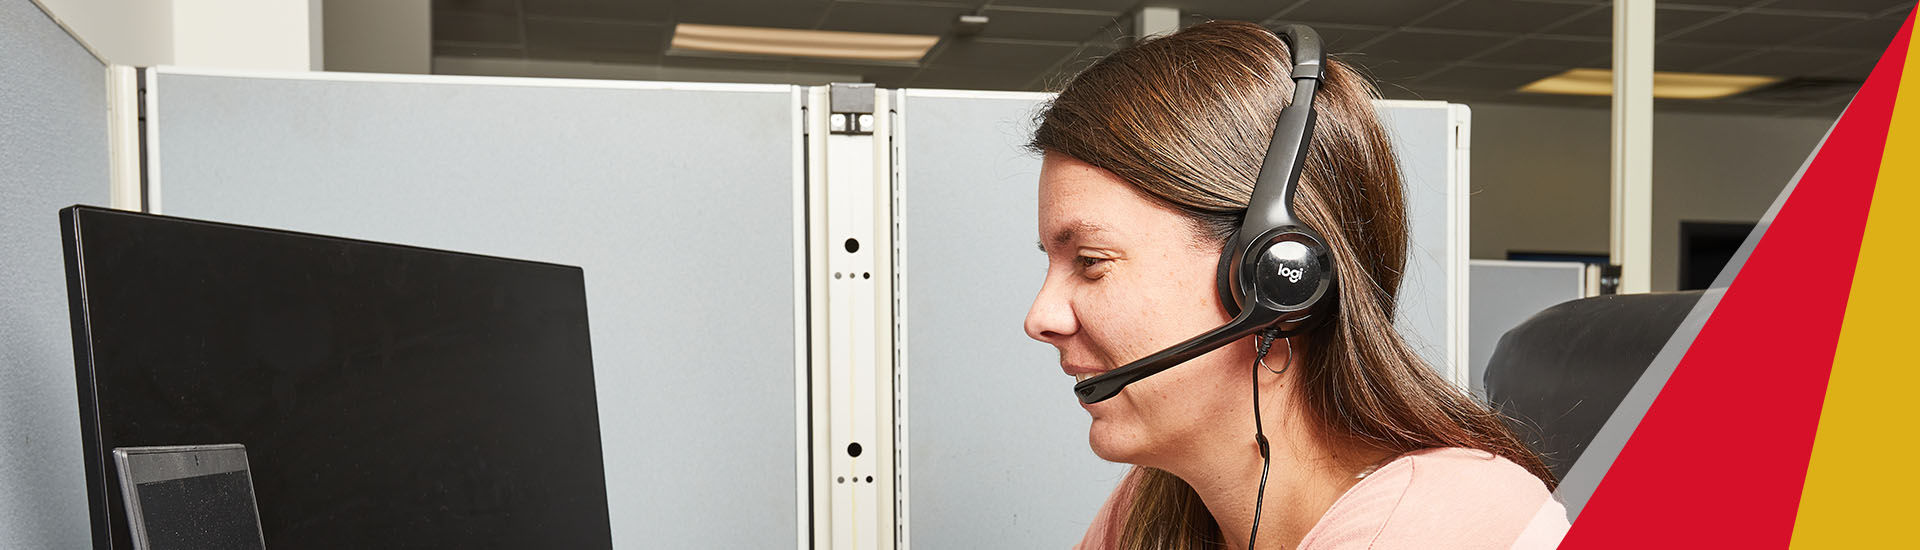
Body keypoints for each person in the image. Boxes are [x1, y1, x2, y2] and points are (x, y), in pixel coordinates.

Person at [1022, 21, 1569, 550]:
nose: (1040, 317)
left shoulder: (1448, 523)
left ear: (1274, 277)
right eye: (1052, 261)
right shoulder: (1160, 505)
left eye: (1091, 261)